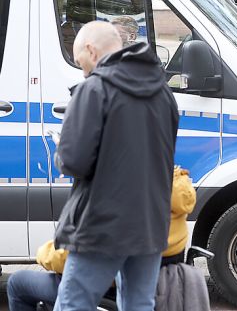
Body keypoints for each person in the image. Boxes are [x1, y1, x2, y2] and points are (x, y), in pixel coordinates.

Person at [52, 21, 179, 311]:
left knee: (74, 303)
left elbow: (73, 161)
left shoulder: (94, 89)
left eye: (79, 59)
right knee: (138, 304)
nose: (82, 68)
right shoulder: (163, 93)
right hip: (150, 222)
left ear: (91, 50)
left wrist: (62, 147)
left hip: (102, 224)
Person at [5, 167, 196, 311]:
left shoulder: (117, 197)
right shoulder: (173, 190)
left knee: (17, 283)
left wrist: (43, 253)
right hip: (164, 281)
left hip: (109, 283)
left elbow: (71, 258)